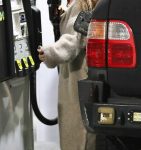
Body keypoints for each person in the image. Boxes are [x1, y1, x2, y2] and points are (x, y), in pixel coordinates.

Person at [38, 0, 99, 149]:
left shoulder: (80, 5)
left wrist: (48, 53)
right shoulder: (87, 5)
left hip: (77, 75)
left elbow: (74, 41)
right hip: (85, 74)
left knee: (78, 131)